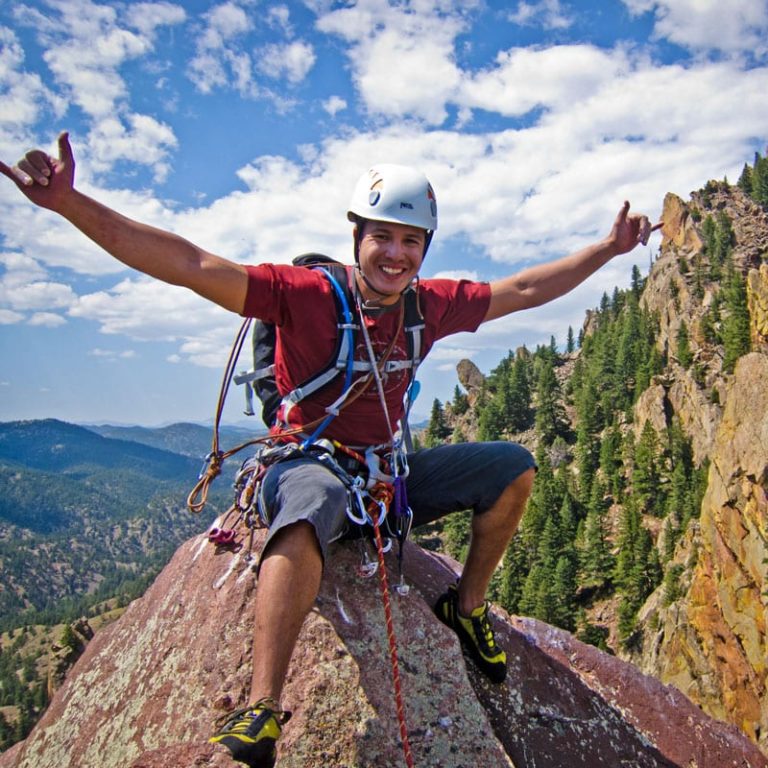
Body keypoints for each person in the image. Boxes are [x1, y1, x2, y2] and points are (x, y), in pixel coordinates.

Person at [1, 133, 658, 768]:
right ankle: (262, 708)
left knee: (512, 468)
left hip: (382, 479)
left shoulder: (427, 306)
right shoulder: (305, 294)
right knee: (311, 501)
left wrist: (607, 249)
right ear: (356, 237)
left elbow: (525, 290)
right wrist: (70, 205)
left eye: (410, 240)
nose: (395, 254)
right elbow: (192, 265)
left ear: (425, 248)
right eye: (382, 236)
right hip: (304, 464)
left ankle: (466, 607)